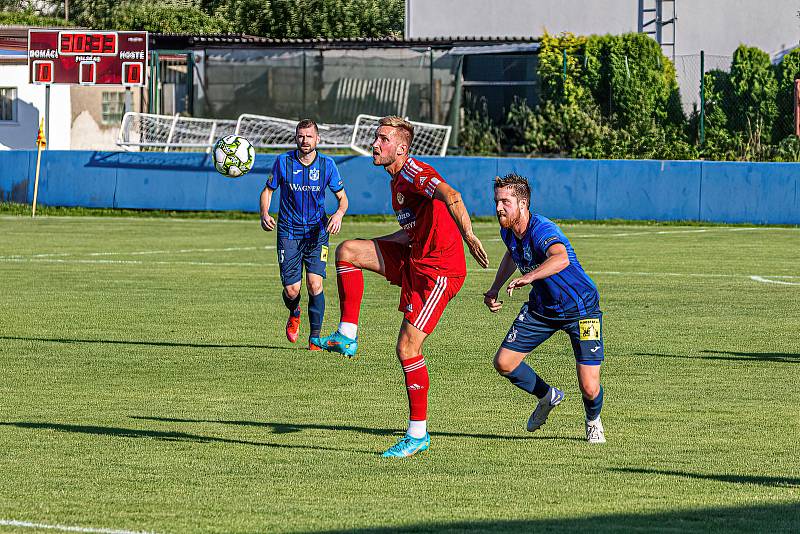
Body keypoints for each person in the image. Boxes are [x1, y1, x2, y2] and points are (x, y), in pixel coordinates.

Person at [314, 116, 489, 458]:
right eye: (375, 138)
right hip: (414, 256)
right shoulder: (395, 182)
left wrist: (468, 235)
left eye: (382, 139)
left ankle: (418, 434)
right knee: (349, 251)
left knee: (408, 348)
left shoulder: (412, 172)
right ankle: (347, 335)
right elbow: (409, 234)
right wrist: (375, 246)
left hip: (440, 271)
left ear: (401, 147)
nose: (374, 144)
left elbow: (451, 194)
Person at [483, 173, 606, 444]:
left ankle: (593, 421)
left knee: (589, 386)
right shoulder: (508, 231)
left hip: (581, 307)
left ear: (523, 204)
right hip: (543, 309)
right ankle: (547, 396)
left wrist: (530, 276)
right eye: (496, 201)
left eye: (505, 201)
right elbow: (511, 254)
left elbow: (560, 258)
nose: (498, 208)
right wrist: (495, 287)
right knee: (504, 362)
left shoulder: (541, 229)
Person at [260, 119, 348, 350]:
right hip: (289, 231)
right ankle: (294, 311)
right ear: (295, 137)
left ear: (318, 139)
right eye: (301, 136)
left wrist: (338, 214)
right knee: (292, 290)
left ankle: (314, 339)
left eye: (309, 136)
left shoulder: (328, 165)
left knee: (315, 284)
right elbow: (268, 190)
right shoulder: (283, 162)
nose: (305, 140)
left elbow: (343, 198)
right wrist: (264, 213)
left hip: (317, 233)